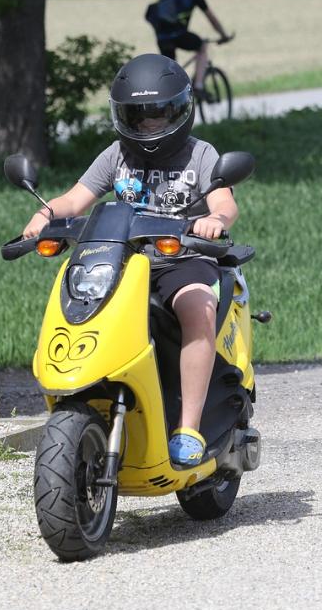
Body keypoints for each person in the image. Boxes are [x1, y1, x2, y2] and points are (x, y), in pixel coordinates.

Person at [21, 53, 238, 466]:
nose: (148, 126)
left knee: (197, 307)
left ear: (179, 110)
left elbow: (225, 201)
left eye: (157, 116)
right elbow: (76, 197)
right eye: (138, 118)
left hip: (183, 259)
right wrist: (46, 214)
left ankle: (188, 427)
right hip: (121, 262)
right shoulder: (115, 155)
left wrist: (214, 219)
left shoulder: (200, 154)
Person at [145, 0, 231, 100]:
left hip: (162, 36)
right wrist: (223, 35)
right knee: (202, 46)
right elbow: (212, 19)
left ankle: (167, 98)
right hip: (179, 35)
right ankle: (198, 86)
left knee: (170, 73)